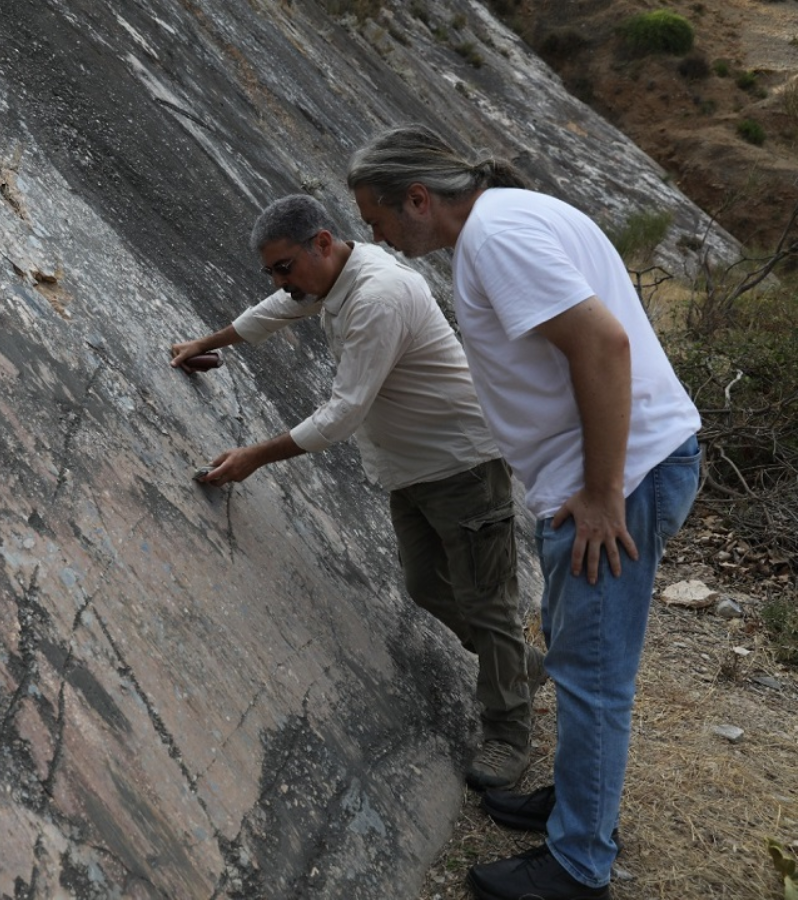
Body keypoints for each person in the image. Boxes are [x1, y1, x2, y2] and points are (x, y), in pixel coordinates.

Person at [347, 125, 701, 900]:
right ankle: (576, 805)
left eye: (377, 219)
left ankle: (580, 865)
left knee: (594, 678)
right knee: (579, 661)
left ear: (418, 198)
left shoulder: (495, 237)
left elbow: (602, 345)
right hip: (617, 469)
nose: (375, 236)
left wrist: (606, 493)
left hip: (618, 479)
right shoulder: (514, 215)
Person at [170, 194, 542, 791]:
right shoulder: (329, 279)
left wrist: (253, 458)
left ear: (322, 242)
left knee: (487, 601)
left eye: (284, 267)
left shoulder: (379, 295)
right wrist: (205, 341)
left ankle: (507, 732)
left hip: (462, 464)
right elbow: (277, 307)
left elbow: (343, 413)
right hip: (409, 467)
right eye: (270, 270)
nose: (279, 281)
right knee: (426, 586)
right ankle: (517, 668)